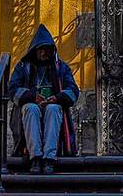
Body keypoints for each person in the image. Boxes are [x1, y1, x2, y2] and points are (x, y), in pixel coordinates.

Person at [9, 24, 79, 174]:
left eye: (47, 49)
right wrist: (32, 96)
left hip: (53, 105)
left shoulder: (61, 68)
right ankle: (35, 158)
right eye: (40, 49)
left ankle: (49, 159)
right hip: (31, 105)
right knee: (30, 108)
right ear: (34, 50)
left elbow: (73, 90)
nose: (44, 52)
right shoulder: (23, 67)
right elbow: (12, 89)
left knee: (54, 109)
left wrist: (58, 97)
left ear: (52, 51)